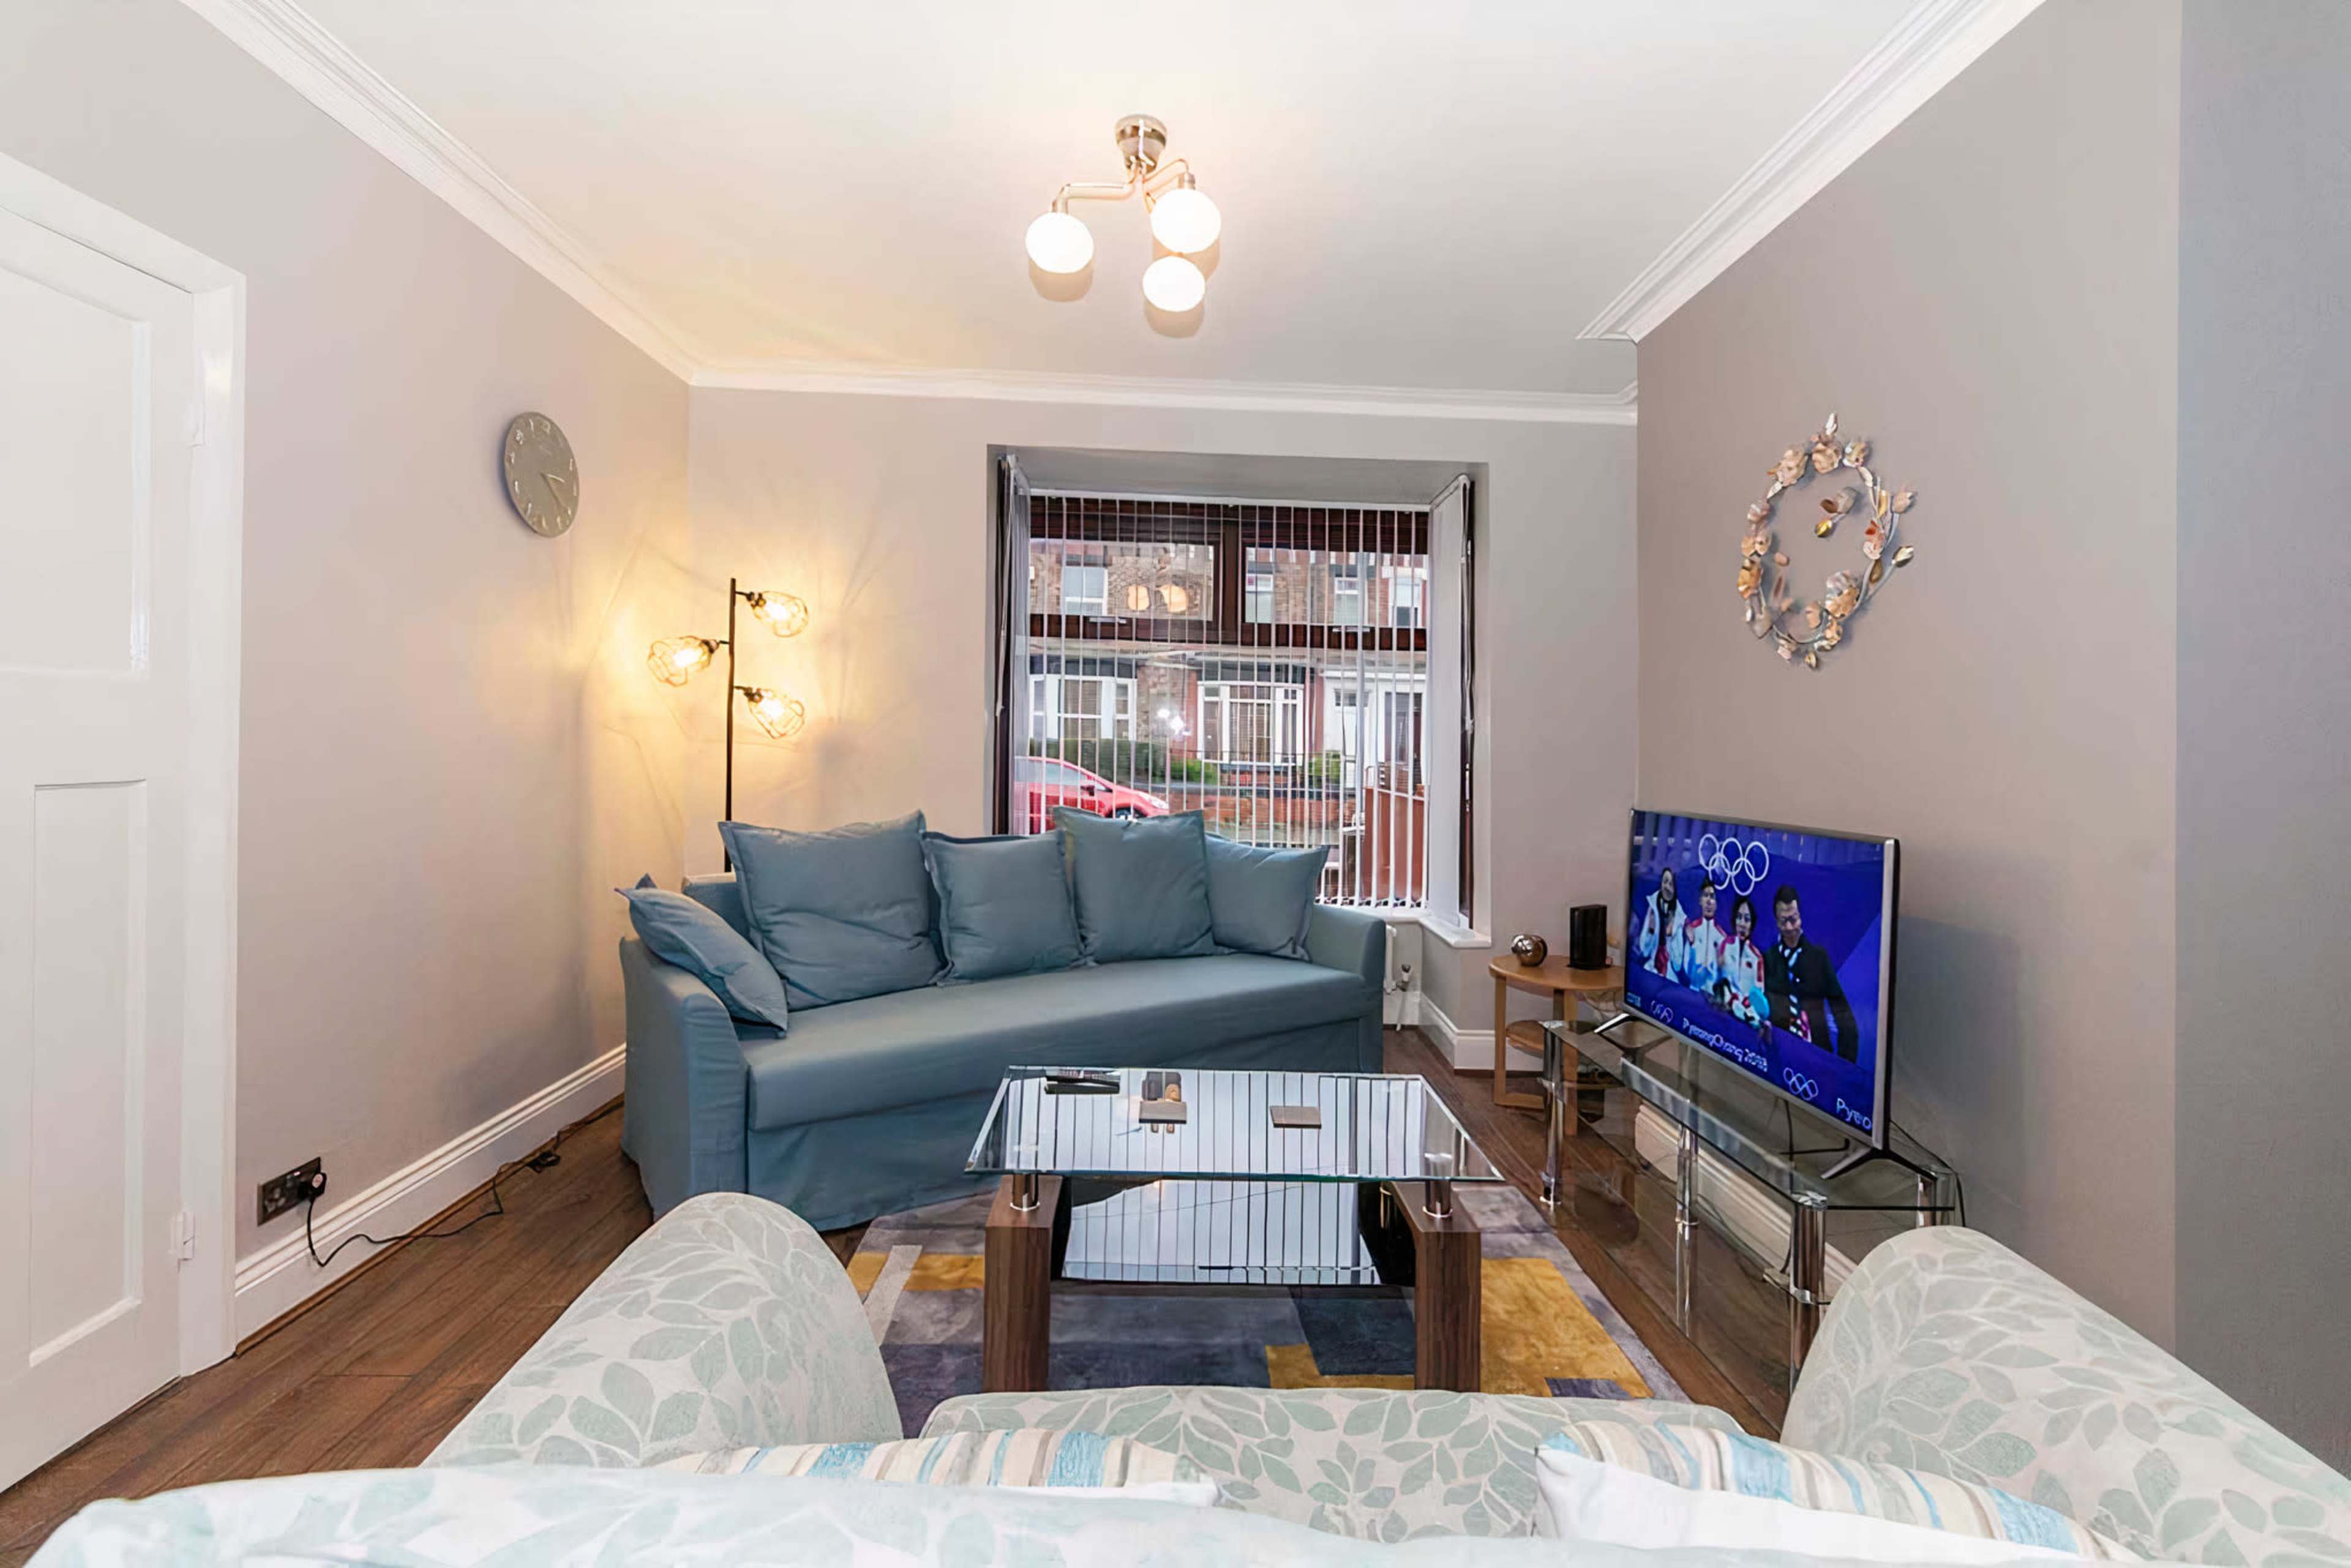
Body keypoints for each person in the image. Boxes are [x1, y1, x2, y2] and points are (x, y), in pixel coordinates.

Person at [1763, 883, 1861, 1061]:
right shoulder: (1768, 959)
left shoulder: (1819, 958)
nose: (1791, 927)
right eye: (1784, 921)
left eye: (1794, 919)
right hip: (1779, 1055)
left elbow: (1844, 1016)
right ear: (1777, 922)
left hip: (1817, 1059)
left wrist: (1845, 1067)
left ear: (1800, 917)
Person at [1719, 896, 1768, 1024]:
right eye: (1739, 917)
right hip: (1723, 1010)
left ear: (1752, 925)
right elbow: (1720, 979)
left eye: (1747, 920)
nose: (1742, 924)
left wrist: (1745, 1010)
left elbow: (1757, 994)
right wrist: (1732, 1002)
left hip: (1746, 1017)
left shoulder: (1757, 958)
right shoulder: (1725, 945)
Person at [1634, 866, 1683, 982]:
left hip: (1669, 975)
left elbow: (1678, 964)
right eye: (1665, 882)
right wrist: (1651, 930)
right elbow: (1645, 951)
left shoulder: (1680, 915)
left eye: (1671, 884)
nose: (1667, 887)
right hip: (1651, 969)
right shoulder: (1652, 906)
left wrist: (1672, 936)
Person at [1682, 877, 1727, 999]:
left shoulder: (1722, 937)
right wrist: (1692, 945)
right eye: (1705, 896)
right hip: (1693, 992)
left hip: (1713, 999)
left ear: (1716, 904)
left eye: (1712, 897)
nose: (1709, 901)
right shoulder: (1693, 929)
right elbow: (1687, 969)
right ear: (1700, 901)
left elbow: (1724, 978)